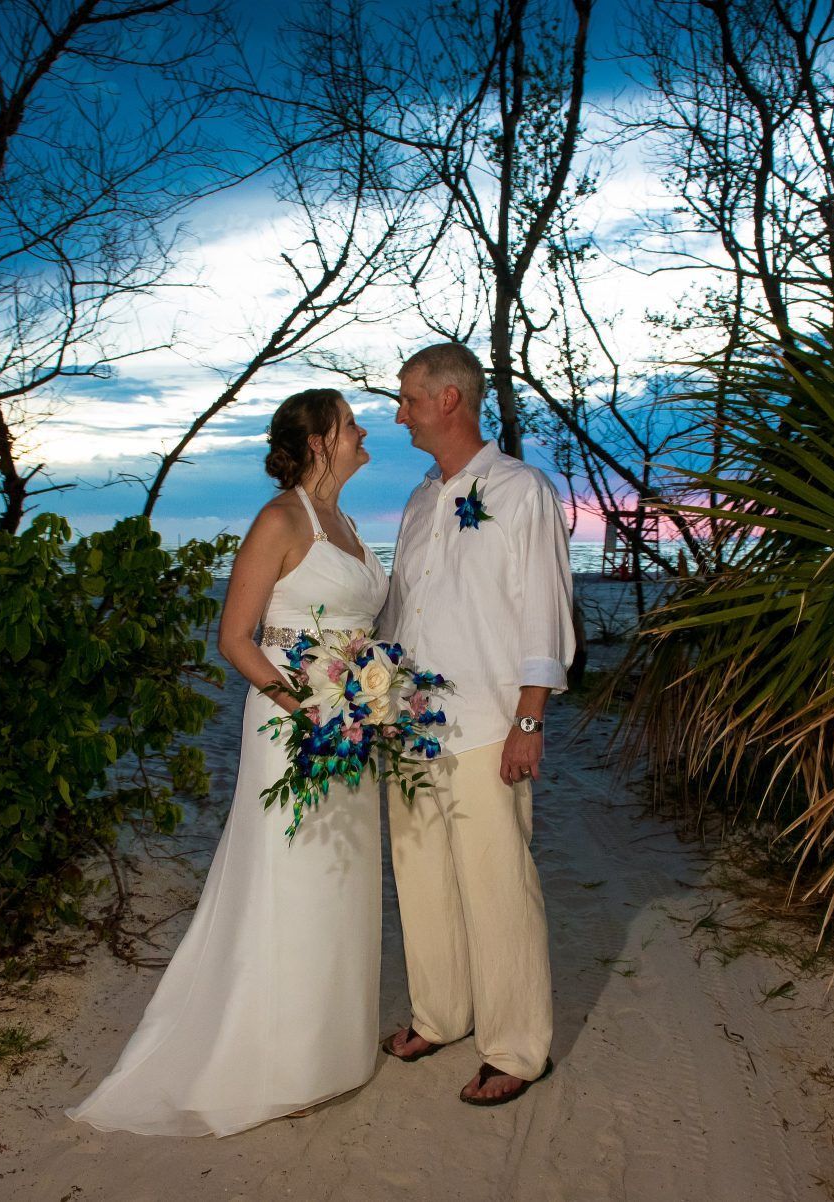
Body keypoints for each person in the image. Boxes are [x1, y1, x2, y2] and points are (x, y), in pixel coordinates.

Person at [69, 388, 388, 1136]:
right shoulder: (280, 519)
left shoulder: (345, 522)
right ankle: (279, 1060)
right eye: (350, 423)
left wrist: (379, 692)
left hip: (351, 721)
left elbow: (360, 625)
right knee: (294, 876)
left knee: (342, 878)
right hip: (293, 725)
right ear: (317, 440)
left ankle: (332, 1049)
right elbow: (236, 638)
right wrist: (304, 705)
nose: (364, 429)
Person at [376, 342, 575, 1106]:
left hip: (491, 720)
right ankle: (441, 1012)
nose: (400, 412)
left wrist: (530, 718)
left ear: (448, 399)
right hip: (411, 724)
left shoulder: (522, 490)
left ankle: (519, 1048)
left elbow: (544, 614)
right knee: (420, 879)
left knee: (498, 888)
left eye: (408, 398)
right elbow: (403, 609)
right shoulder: (422, 499)